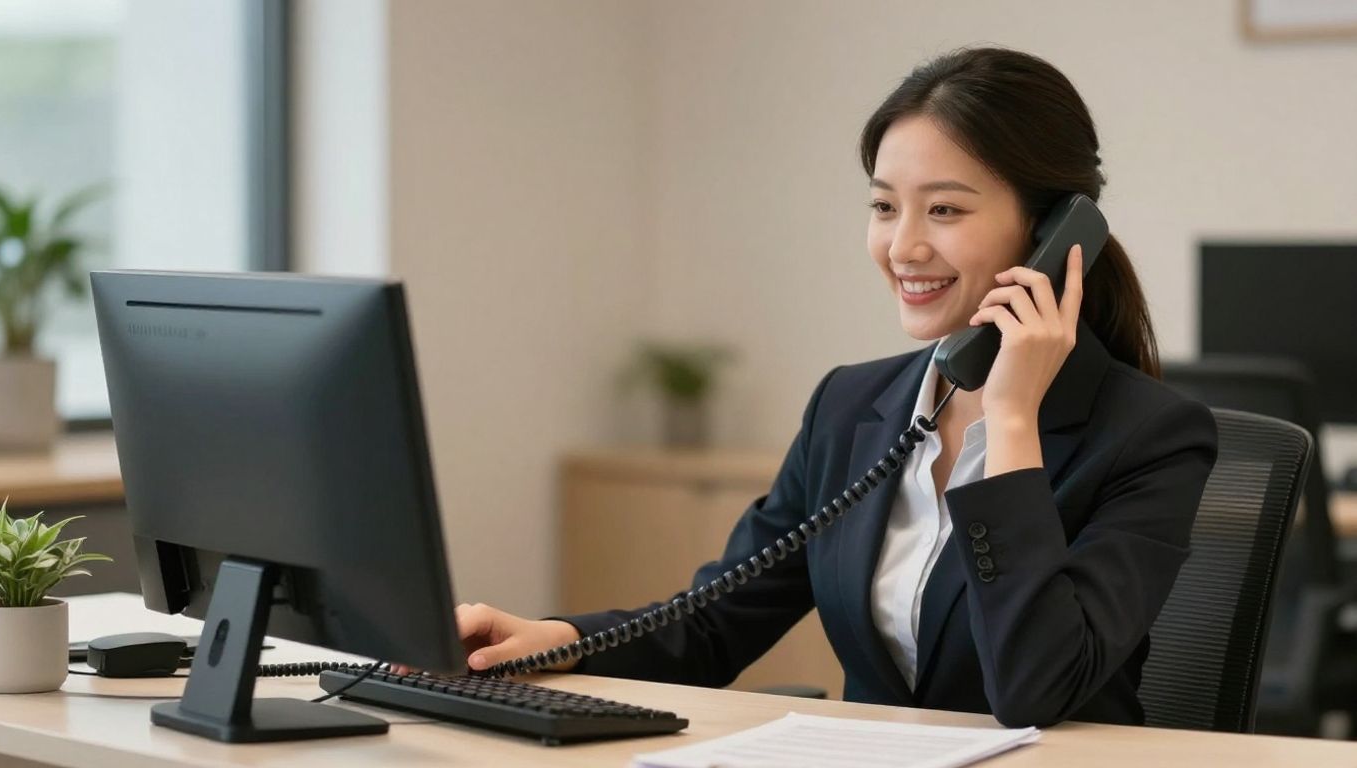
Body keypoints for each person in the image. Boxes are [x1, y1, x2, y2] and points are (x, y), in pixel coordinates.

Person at [418, 47, 1218, 728]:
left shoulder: (1149, 437)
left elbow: (1034, 689)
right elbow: (717, 623)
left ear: (1052, 233)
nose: (903, 246)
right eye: (884, 206)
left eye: (944, 209)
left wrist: (1009, 421)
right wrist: (557, 641)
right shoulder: (850, 408)